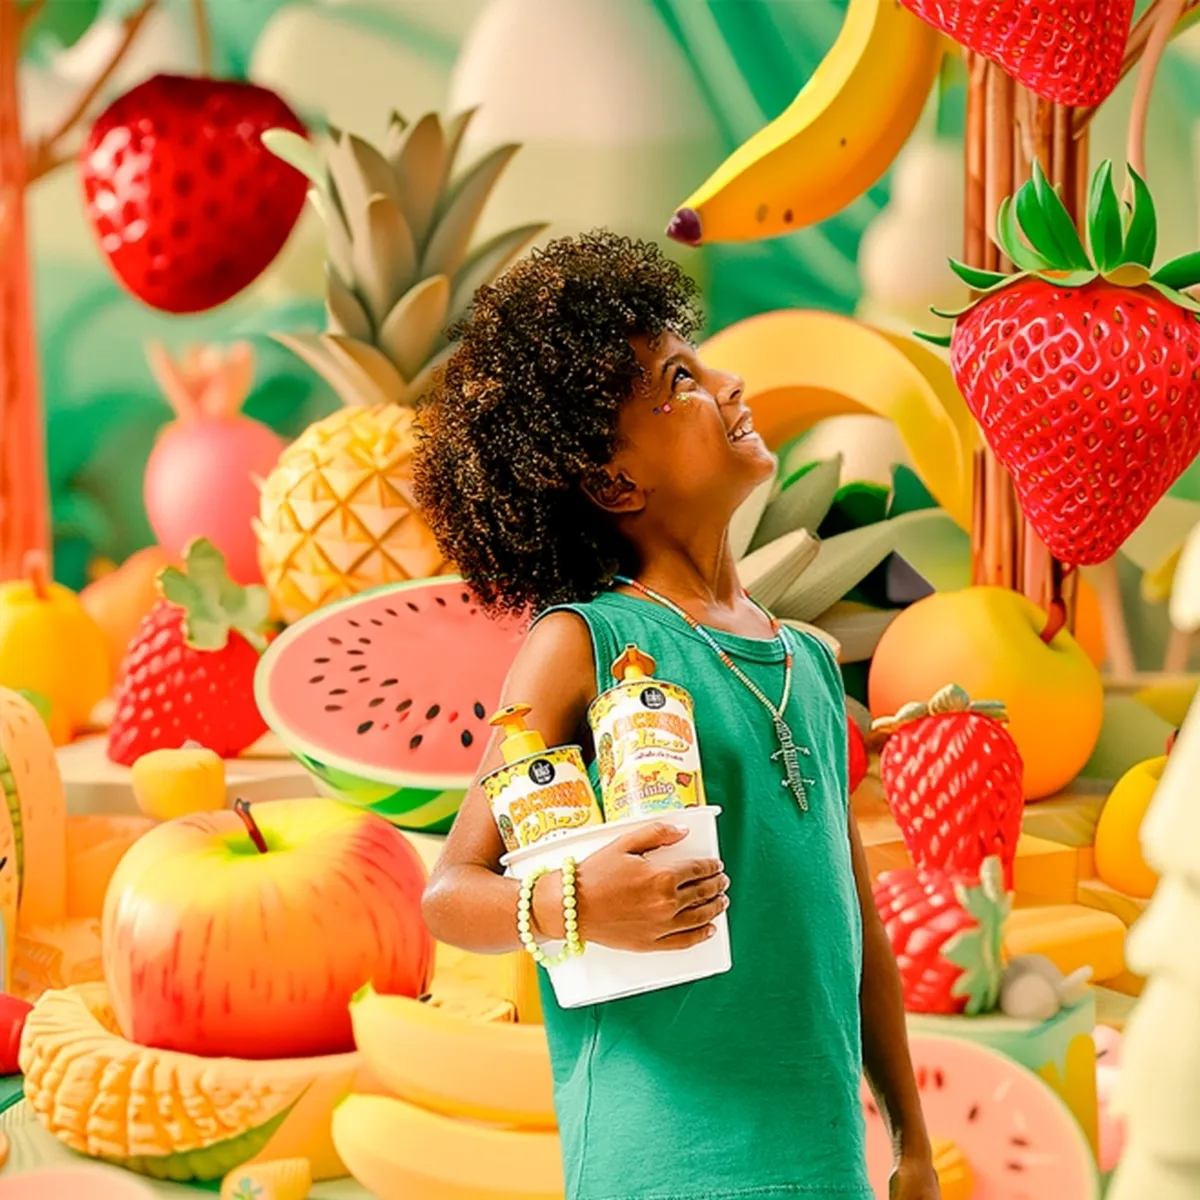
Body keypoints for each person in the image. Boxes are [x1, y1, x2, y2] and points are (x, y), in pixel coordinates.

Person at [415, 231, 939, 1200]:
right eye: (681, 380)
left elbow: (852, 923)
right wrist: (577, 904)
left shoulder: (808, 664)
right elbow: (450, 892)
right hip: (657, 1165)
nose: (733, 382)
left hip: (822, 1162)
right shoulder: (582, 646)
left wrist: (911, 1139)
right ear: (614, 481)